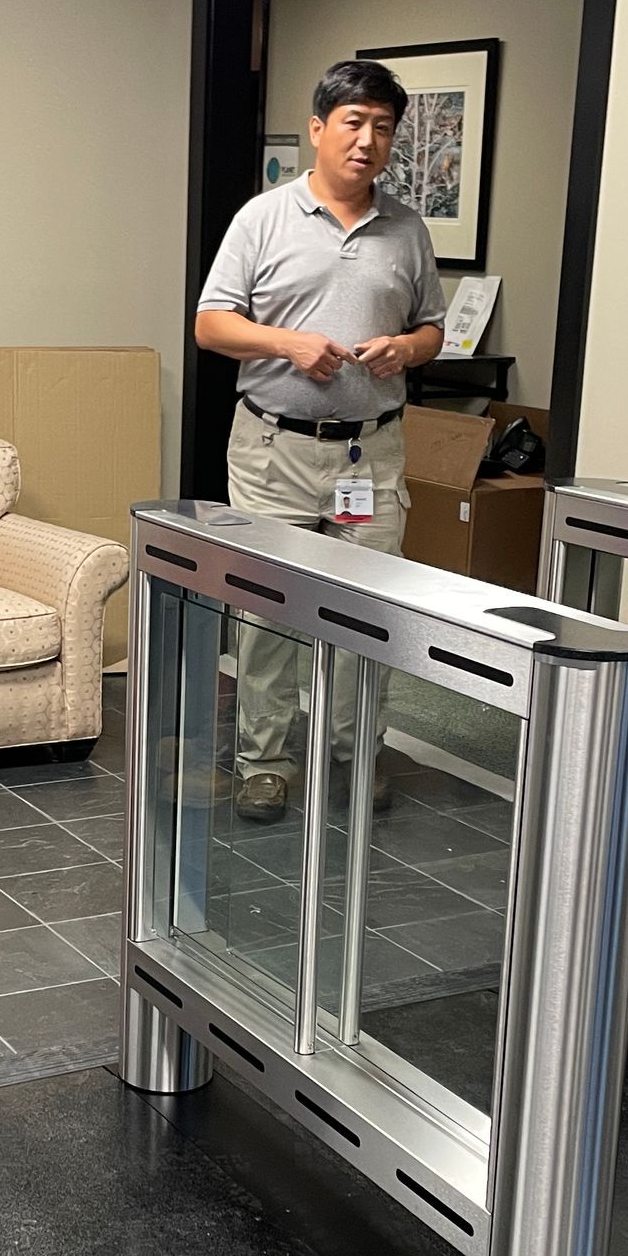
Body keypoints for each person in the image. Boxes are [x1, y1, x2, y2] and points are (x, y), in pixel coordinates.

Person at [194, 58, 445, 821]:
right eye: (354, 123)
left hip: (367, 456)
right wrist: (287, 344)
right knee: (270, 613)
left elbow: (434, 327)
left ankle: (355, 753)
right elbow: (211, 326)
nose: (368, 141)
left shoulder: (406, 229)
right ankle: (265, 763)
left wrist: (407, 349)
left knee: (367, 609)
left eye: (383, 128)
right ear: (318, 130)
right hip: (275, 452)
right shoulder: (262, 218)